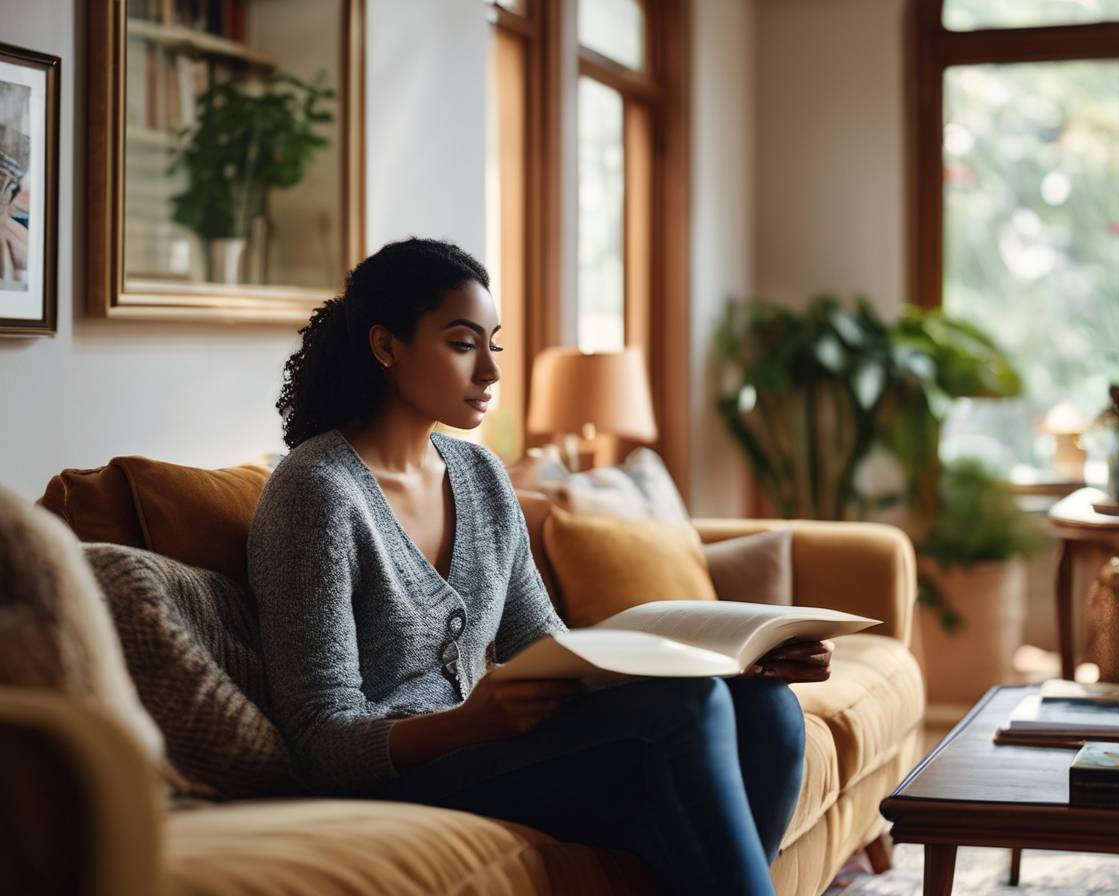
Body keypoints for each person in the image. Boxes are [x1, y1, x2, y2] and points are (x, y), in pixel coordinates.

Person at [248, 237, 835, 895]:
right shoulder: (317, 491)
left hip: (498, 751)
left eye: (493, 346)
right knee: (688, 712)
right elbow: (318, 742)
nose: (492, 373)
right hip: (414, 773)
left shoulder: (482, 477)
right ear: (387, 347)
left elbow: (548, 648)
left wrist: (732, 662)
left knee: (766, 708)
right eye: (463, 344)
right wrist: (468, 722)